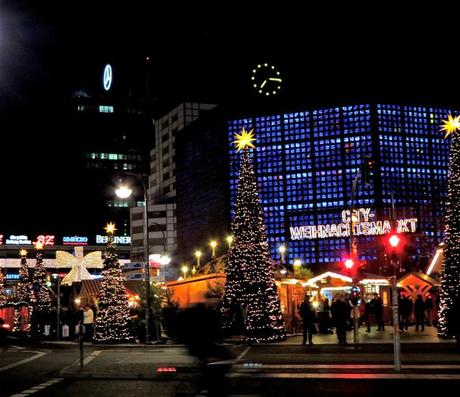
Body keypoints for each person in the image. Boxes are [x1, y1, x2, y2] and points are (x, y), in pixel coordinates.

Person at [178, 303, 233, 396]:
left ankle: (206, 383)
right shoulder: (206, 314)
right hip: (203, 345)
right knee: (225, 358)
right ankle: (210, 384)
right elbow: (213, 330)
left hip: (196, 345)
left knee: (207, 363)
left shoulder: (193, 314)